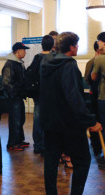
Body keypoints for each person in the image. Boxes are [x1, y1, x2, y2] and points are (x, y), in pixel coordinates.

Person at [40, 31, 102, 195]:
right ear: (71, 47)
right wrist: (90, 121)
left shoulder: (46, 61)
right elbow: (73, 97)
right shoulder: (69, 65)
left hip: (50, 122)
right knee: (83, 160)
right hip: (69, 124)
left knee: (51, 160)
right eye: (77, 45)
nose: (78, 47)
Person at [1, 42, 30, 151]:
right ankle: (12, 143)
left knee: (20, 118)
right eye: (24, 50)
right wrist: (15, 93)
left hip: (18, 96)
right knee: (15, 120)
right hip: (14, 98)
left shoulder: (18, 63)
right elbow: (6, 82)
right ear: (18, 51)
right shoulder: (10, 64)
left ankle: (19, 140)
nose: (25, 52)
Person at [29, 35, 54, 156]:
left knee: (37, 119)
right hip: (50, 94)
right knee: (49, 119)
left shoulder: (37, 57)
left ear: (41, 44)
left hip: (38, 93)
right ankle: (47, 145)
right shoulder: (53, 58)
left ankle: (38, 145)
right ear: (53, 45)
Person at [84, 41, 102, 157]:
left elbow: (86, 78)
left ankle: (97, 148)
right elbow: (88, 78)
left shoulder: (91, 62)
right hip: (96, 96)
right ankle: (97, 148)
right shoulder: (92, 62)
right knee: (96, 120)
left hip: (96, 95)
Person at [91, 32, 105, 169]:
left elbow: (93, 77)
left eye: (99, 41)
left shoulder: (100, 59)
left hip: (103, 98)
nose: (98, 44)